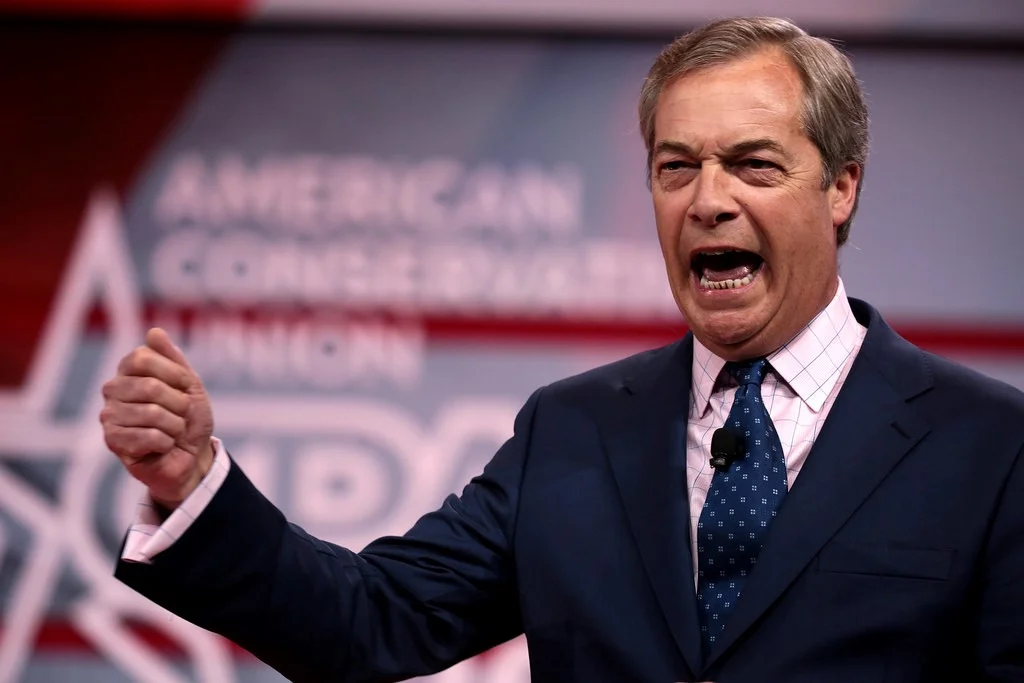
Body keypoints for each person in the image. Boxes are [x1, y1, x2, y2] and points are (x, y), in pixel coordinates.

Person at [102, 16, 1024, 683]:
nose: (707, 200)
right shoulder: (571, 429)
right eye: (676, 167)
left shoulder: (990, 446)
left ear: (841, 187)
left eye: (753, 164)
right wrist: (194, 485)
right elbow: (370, 619)